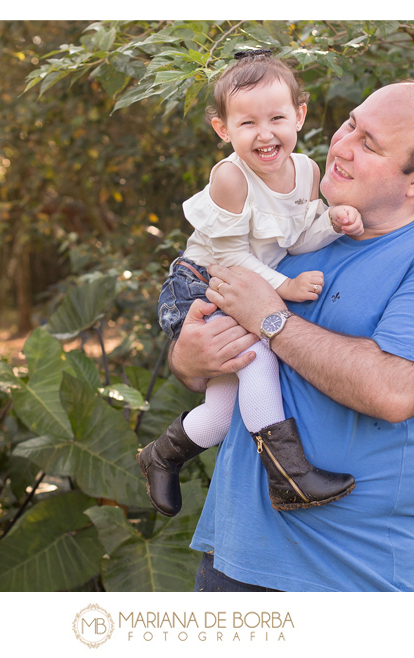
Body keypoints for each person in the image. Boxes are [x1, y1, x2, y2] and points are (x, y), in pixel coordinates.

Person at [171, 79, 414, 592]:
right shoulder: (292, 238)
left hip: (354, 574)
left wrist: (271, 319)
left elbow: (392, 391)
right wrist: (189, 358)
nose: (340, 145)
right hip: (233, 560)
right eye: (350, 124)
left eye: (369, 144)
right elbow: (211, 366)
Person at [137, 50, 365, 519]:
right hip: (202, 284)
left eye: (277, 117)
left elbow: (298, 237)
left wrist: (334, 224)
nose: (265, 134)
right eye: (247, 124)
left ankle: (160, 455)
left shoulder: (306, 171)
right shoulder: (230, 178)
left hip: (243, 288)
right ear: (223, 129)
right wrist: (284, 287)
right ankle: (289, 479)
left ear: (299, 116)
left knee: (222, 414)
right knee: (256, 356)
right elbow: (229, 258)